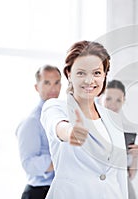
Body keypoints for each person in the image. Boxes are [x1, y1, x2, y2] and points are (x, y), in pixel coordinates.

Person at [40, 41, 128, 199]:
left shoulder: (112, 118)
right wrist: (69, 132)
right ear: (69, 74)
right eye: (81, 73)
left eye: (96, 73)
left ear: (104, 75)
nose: (89, 81)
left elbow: (119, 175)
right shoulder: (56, 107)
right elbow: (57, 125)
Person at [16, 65, 62, 199]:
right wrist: (62, 160)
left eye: (57, 82)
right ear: (37, 87)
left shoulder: (63, 116)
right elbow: (29, 163)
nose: (53, 88)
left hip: (58, 191)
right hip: (38, 193)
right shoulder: (32, 121)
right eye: (47, 83)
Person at [103, 79, 138, 199]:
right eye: (108, 99)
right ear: (100, 97)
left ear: (124, 101)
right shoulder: (92, 126)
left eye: (118, 100)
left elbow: (130, 175)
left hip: (122, 186)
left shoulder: (127, 130)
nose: (113, 105)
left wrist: (135, 157)